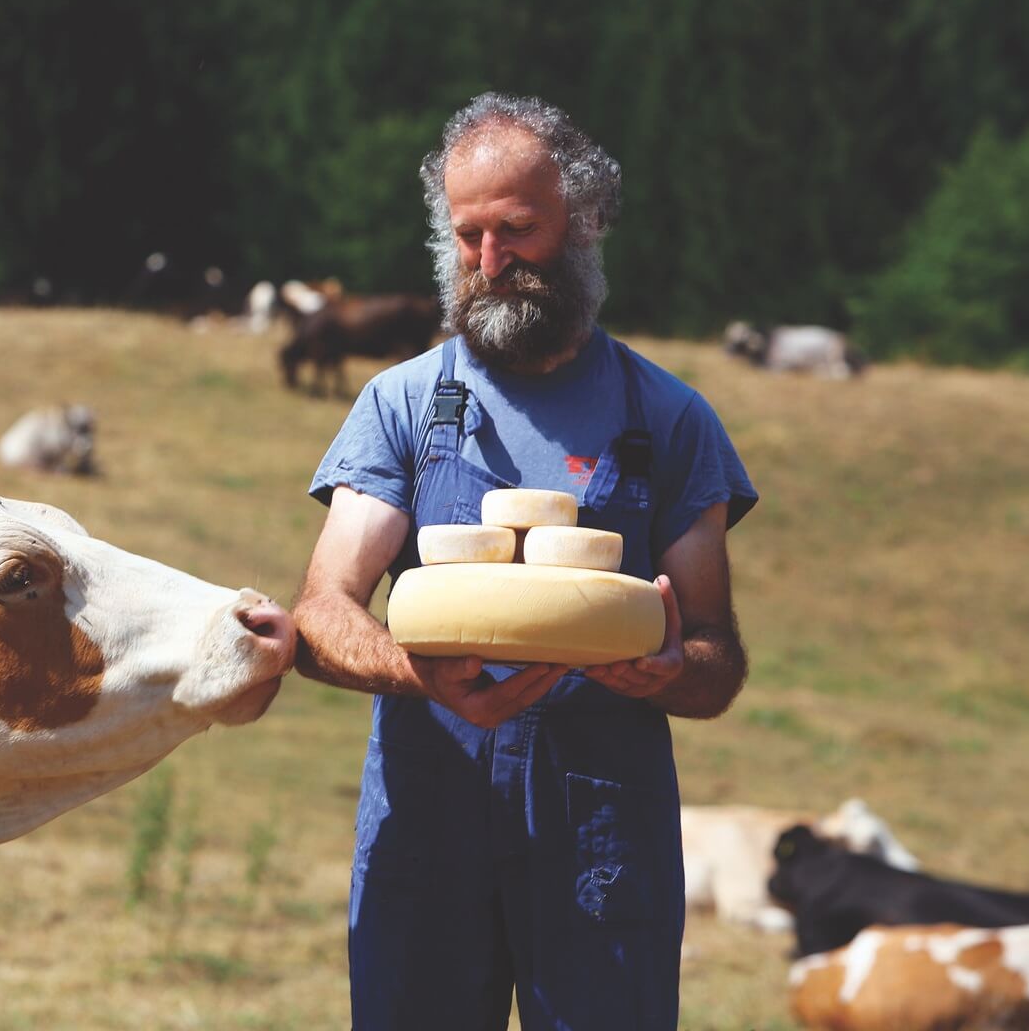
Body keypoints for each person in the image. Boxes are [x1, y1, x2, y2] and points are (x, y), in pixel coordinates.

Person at [291, 92, 757, 1030]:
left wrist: (671, 669)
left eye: (518, 230)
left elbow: (717, 661)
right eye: (468, 237)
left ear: (584, 221)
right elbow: (320, 611)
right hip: (427, 825)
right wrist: (414, 671)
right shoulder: (402, 406)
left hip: (601, 839)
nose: (490, 263)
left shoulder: (668, 420)